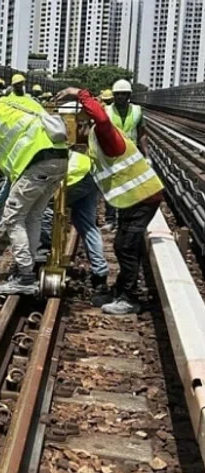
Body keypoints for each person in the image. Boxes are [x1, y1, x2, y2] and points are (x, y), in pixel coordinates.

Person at [56, 86, 164, 315]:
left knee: (126, 247)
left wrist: (79, 93)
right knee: (123, 245)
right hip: (131, 198)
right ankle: (121, 292)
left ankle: (129, 299)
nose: (74, 130)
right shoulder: (95, 139)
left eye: (76, 124)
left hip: (143, 196)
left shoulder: (105, 134)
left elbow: (102, 118)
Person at [0, 73, 69, 296]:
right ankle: (28, 269)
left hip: (37, 163)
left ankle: (25, 277)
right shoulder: (25, 100)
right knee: (33, 216)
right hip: (60, 160)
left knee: (13, 217)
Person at [36, 148, 111, 302]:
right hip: (88, 170)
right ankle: (100, 275)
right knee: (87, 224)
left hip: (73, 175)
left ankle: (43, 254)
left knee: (45, 209)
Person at [104, 79, 148, 232]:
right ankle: (110, 220)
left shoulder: (137, 111)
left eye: (123, 94)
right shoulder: (107, 111)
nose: (120, 97)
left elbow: (142, 134)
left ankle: (124, 220)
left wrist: (147, 156)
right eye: (117, 94)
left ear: (129, 95)